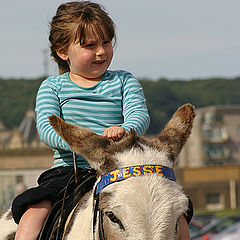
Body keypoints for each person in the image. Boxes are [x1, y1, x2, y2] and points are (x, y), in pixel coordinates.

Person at [11, 1, 191, 239]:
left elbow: (139, 115)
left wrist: (125, 132)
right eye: (90, 45)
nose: (101, 51)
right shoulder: (52, 87)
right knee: (34, 213)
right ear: (62, 51)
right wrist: (89, 145)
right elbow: (45, 128)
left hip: (123, 171)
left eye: (106, 42)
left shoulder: (124, 81)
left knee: (176, 214)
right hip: (70, 172)